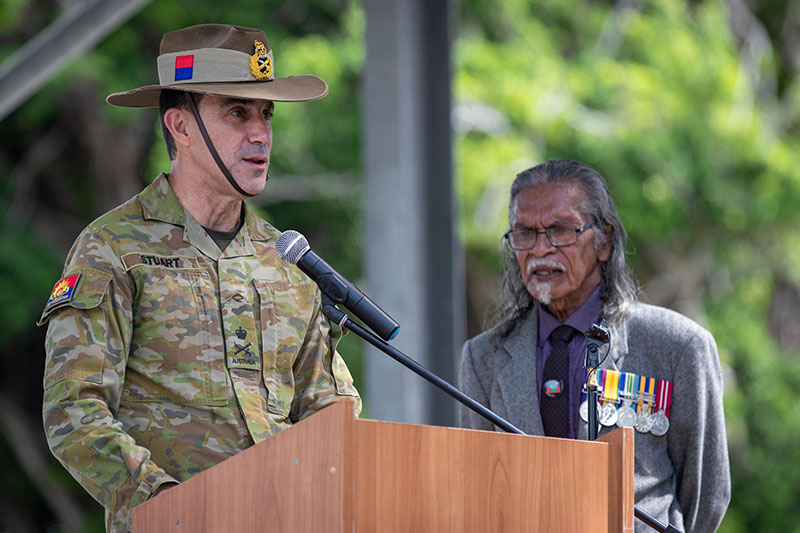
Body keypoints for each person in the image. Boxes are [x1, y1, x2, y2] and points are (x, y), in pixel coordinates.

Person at [38, 24, 361, 532]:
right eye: (237, 112)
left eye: (266, 114)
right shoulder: (113, 248)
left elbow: (328, 411)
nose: (260, 133)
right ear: (180, 127)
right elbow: (74, 413)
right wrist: (169, 506)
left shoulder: (285, 259)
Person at [458, 159, 730, 532]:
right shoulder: (482, 358)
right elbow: (480, 489)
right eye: (524, 233)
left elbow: (706, 495)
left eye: (560, 230)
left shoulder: (678, 345)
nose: (540, 249)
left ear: (604, 241)